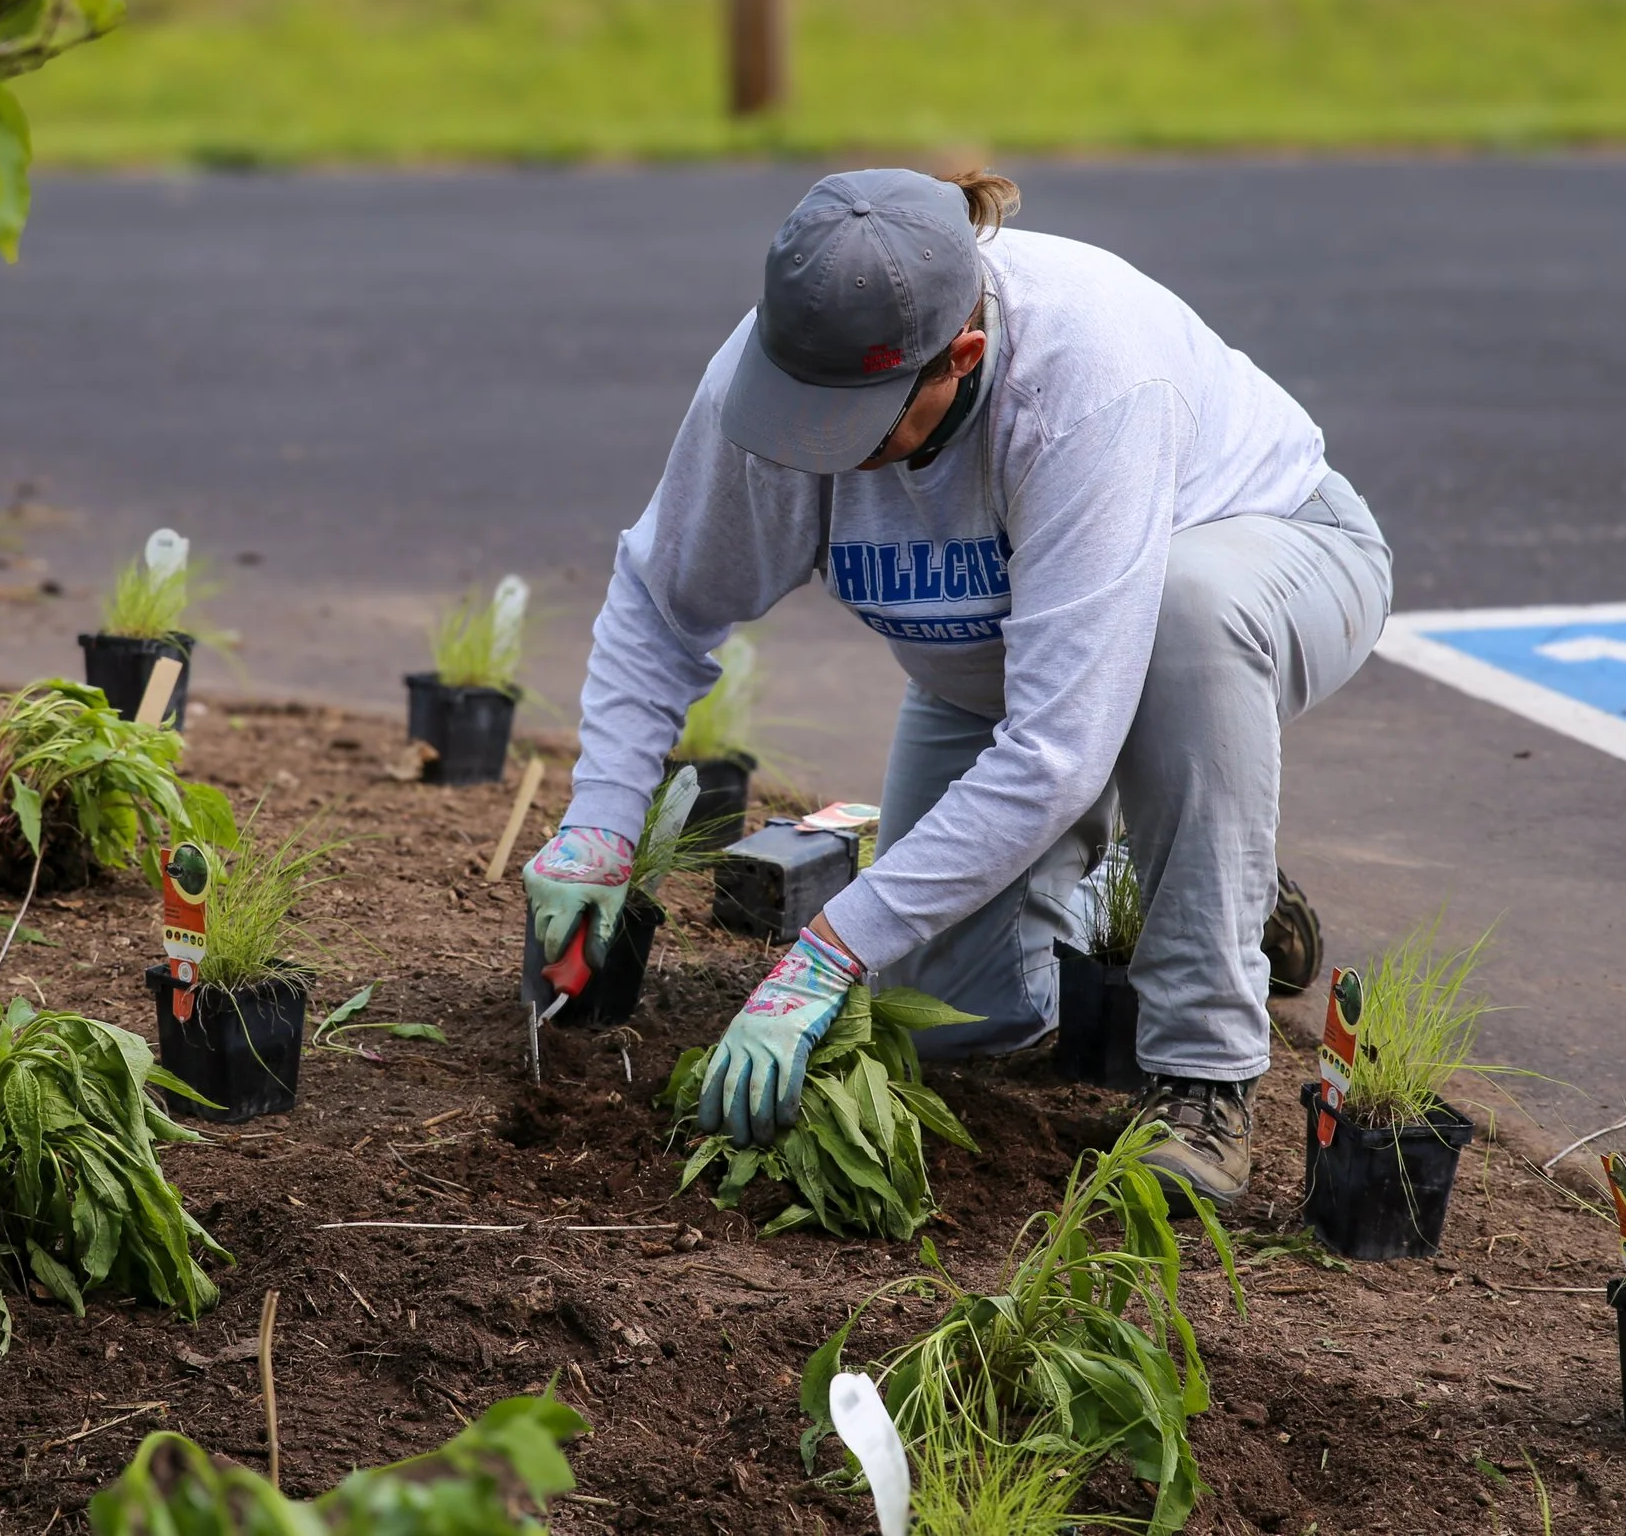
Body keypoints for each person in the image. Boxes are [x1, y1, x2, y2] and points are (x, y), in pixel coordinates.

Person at [521, 167, 1391, 1213]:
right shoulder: (784, 372)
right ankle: (1183, 879)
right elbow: (665, 602)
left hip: (1272, 561)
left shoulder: (1090, 381)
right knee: (955, 1017)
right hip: (997, 675)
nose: (815, 451)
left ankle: (1203, 1072)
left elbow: (1057, 752)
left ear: (961, 358)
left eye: (853, 428)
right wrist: (602, 821)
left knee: (1181, 617)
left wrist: (826, 943)